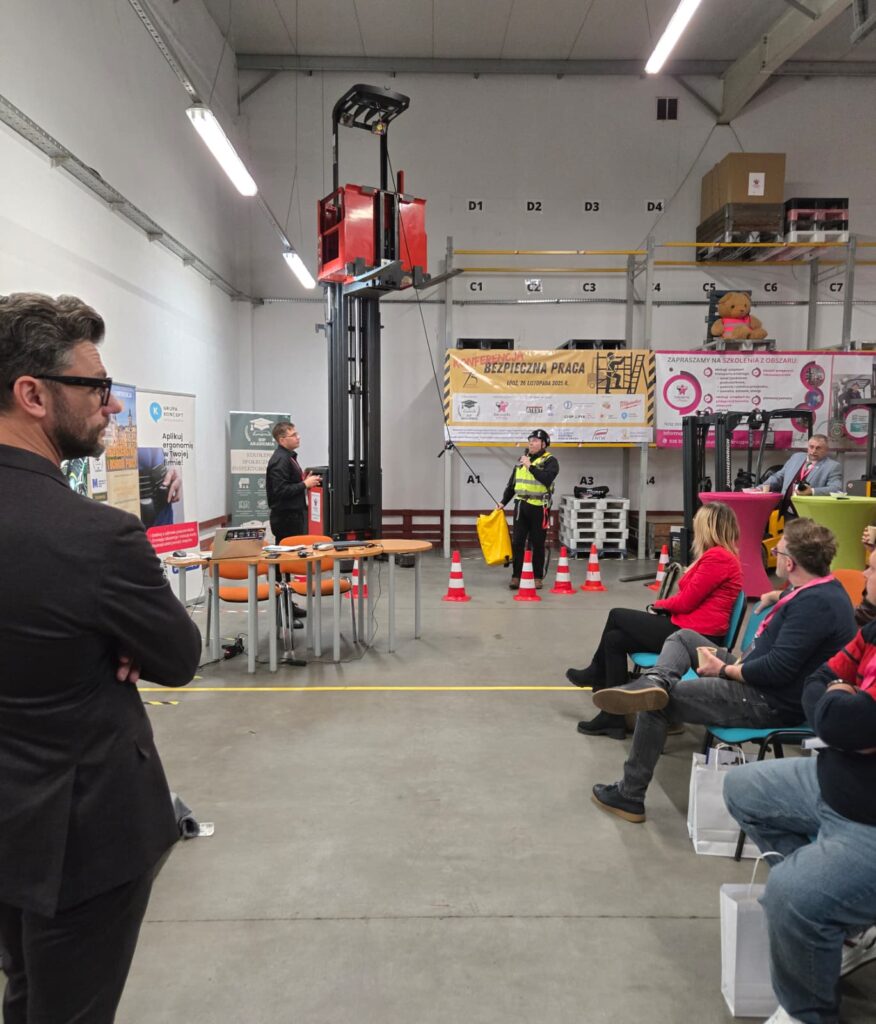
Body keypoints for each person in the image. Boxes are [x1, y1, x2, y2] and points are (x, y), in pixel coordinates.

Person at [0, 292, 202, 1023]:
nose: (111, 405)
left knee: (27, 988)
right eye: (96, 387)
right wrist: (117, 635)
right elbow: (178, 655)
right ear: (33, 395)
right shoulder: (95, 537)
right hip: (83, 835)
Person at [589, 518, 856, 824]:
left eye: (778, 552)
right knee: (683, 638)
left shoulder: (813, 606)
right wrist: (777, 596)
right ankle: (656, 680)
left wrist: (726, 670)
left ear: (790, 563)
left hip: (764, 699)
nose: (775, 556)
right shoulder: (823, 590)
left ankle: (630, 795)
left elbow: (776, 670)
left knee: (658, 704)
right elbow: (796, 621)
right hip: (754, 674)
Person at [723, 545, 876, 1024]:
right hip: (835, 775)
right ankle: (846, 924)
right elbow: (823, 680)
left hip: (867, 816)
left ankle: (808, 1012)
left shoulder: (818, 603)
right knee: (742, 789)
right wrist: (837, 704)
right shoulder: (871, 629)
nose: (865, 572)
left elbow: (844, 720)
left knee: (790, 895)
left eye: (873, 567)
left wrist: (837, 707)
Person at [569, 501, 743, 740]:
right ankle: (612, 717)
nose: (694, 526)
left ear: (709, 527)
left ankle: (597, 675)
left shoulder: (718, 558)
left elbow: (686, 602)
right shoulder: (718, 557)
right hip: (689, 626)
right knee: (614, 640)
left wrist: (659, 605)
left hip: (695, 636)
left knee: (617, 615)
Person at [497, 428, 559, 589]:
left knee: (537, 543)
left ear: (544, 444)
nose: (531, 443)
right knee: (517, 542)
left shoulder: (550, 461)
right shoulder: (522, 462)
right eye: (530, 441)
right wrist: (503, 502)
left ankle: (537, 577)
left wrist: (530, 466)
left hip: (540, 507)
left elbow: (546, 478)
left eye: (535, 441)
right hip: (521, 506)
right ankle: (516, 576)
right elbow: (512, 485)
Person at [266, 420, 321, 543]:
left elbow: (289, 483)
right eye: (294, 435)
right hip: (286, 519)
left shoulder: (288, 457)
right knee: (288, 552)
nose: (298, 437)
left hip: (293, 516)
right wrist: (304, 484)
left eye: (297, 434)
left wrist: (305, 482)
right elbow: (280, 490)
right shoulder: (280, 460)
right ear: (282, 440)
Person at [752, 434, 842, 504]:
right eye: (811, 447)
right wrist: (760, 488)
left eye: (818, 448)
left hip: (808, 509)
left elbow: (836, 489)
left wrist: (812, 491)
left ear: (826, 450)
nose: (814, 451)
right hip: (785, 507)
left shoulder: (832, 466)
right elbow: (779, 476)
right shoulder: (796, 457)